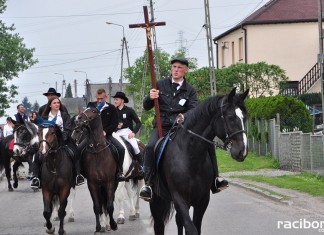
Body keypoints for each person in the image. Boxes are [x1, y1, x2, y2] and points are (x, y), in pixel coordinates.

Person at [139, 57, 228, 201]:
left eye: (179, 68)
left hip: (181, 127)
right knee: (149, 147)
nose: (176, 70)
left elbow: (194, 109)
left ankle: (216, 179)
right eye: (174, 67)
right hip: (162, 127)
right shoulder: (160, 84)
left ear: (185, 70)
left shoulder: (190, 90)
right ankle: (148, 184)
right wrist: (149, 97)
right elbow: (146, 106)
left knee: (208, 144)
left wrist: (184, 116)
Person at [30, 96, 85, 188]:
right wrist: (34, 120)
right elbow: (40, 128)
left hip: (64, 141)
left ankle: (78, 175)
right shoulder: (45, 116)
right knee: (37, 155)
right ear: (50, 105)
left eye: (58, 103)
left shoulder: (64, 115)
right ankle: (36, 178)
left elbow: (67, 129)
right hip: (48, 141)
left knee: (75, 152)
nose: (57, 104)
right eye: (54, 103)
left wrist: (61, 139)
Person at [87, 88, 126, 182]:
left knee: (121, 149)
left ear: (106, 97)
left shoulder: (111, 108)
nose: (99, 101)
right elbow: (86, 118)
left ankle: (119, 171)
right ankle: (79, 173)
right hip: (91, 136)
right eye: (98, 98)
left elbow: (114, 123)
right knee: (79, 148)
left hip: (106, 135)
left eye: (101, 98)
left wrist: (106, 131)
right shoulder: (91, 106)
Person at [112, 91, 143, 171]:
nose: (115, 101)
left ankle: (141, 166)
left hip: (127, 131)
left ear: (122, 100)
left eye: (117, 99)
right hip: (116, 132)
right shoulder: (113, 111)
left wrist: (133, 133)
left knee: (135, 146)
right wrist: (116, 126)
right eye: (114, 100)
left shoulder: (129, 110)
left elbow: (138, 123)